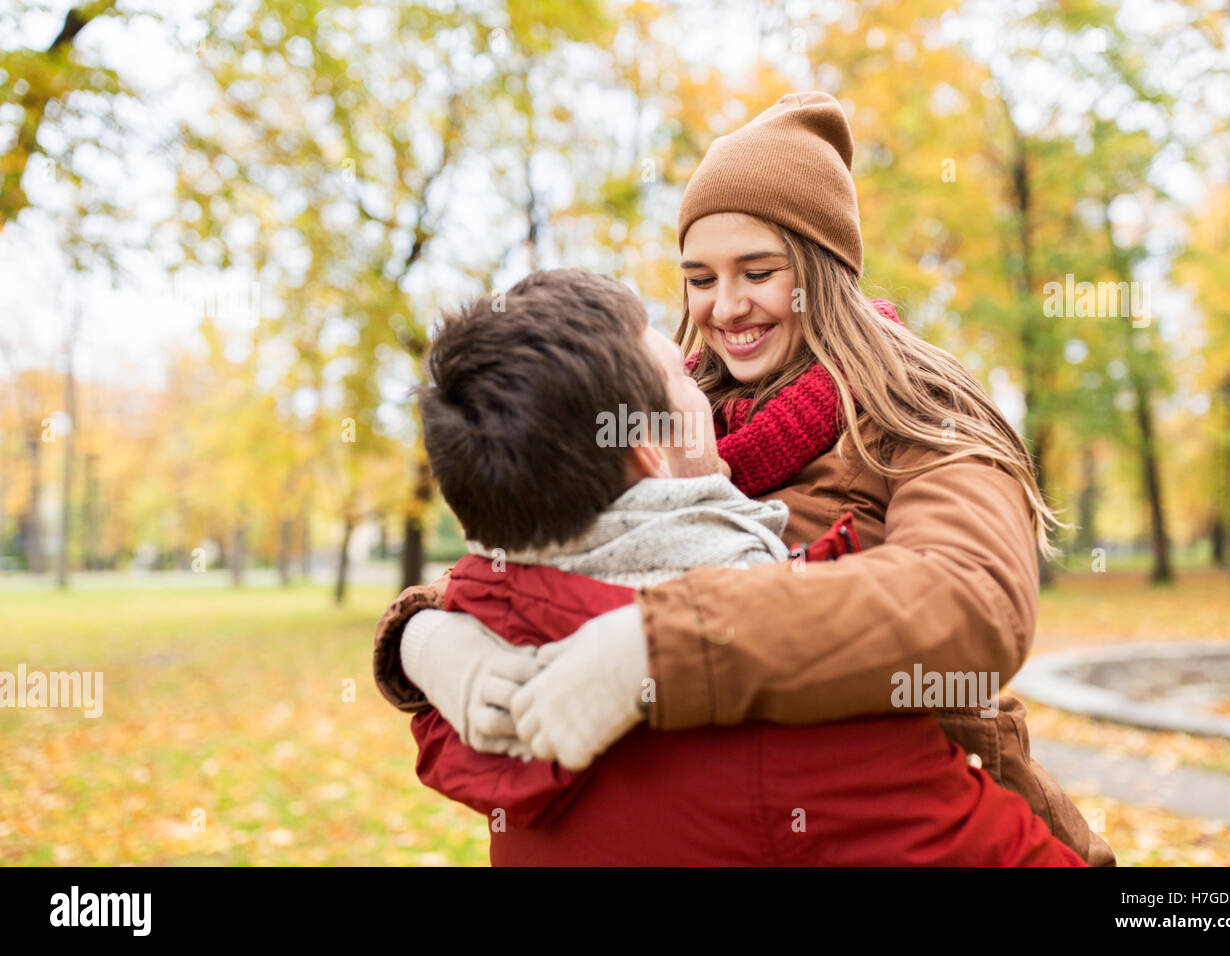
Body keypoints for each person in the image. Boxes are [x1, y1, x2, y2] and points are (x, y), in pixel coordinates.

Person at [378, 92, 1115, 866]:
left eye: (758, 272)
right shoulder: (668, 407)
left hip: (935, 812)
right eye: (700, 278)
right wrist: (424, 636)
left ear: (821, 269)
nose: (726, 308)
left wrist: (664, 647)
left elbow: (975, 603)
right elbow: (551, 540)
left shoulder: (918, 407)